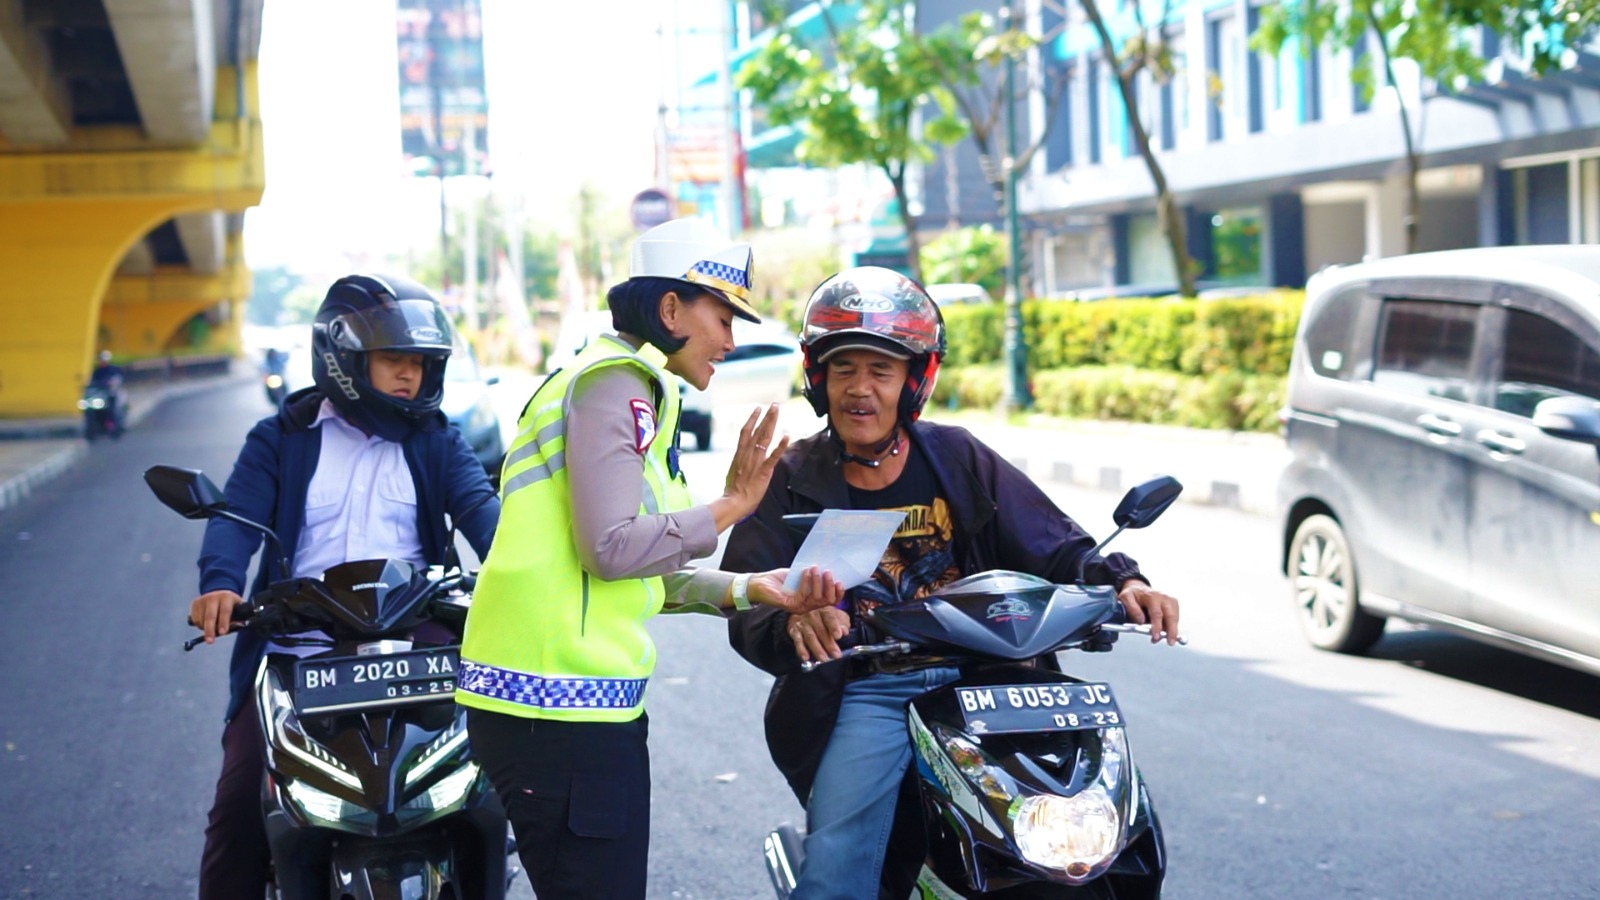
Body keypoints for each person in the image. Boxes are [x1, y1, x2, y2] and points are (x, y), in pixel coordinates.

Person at [724, 267, 1183, 899]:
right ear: (818, 377)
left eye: (881, 372)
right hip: (875, 687)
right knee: (839, 871)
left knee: (1106, 826)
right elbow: (750, 595)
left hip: (999, 678)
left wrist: (1123, 584)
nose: (861, 389)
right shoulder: (793, 477)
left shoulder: (958, 456)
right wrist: (794, 622)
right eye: (844, 369)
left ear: (914, 381)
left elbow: (1054, 543)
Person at [456, 217, 844, 900]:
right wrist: (732, 505)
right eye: (721, 316)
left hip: (567, 711)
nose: (730, 340)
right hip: (557, 715)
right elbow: (610, 550)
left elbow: (649, 570)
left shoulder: (629, 387)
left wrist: (754, 587)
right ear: (670, 309)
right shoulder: (619, 384)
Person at [186, 274, 501, 899]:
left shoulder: (439, 440)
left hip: (419, 645)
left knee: (488, 787)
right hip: (299, 649)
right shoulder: (280, 439)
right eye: (393, 361)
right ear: (344, 359)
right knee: (239, 809)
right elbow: (235, 521)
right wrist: (221, 584)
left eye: (419, 363)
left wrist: (517, 577)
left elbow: (486, 520)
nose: (410, 376)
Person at [87, 349, 128, 429]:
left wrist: (111, 383)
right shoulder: (97, 371)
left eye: (102, 360)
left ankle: (111, 422)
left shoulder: (113, 370)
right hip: (99, 394)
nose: (101, 362)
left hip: (111, 393)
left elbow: (117, 380)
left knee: (111, 408)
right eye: (100, 360)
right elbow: (92, 381)